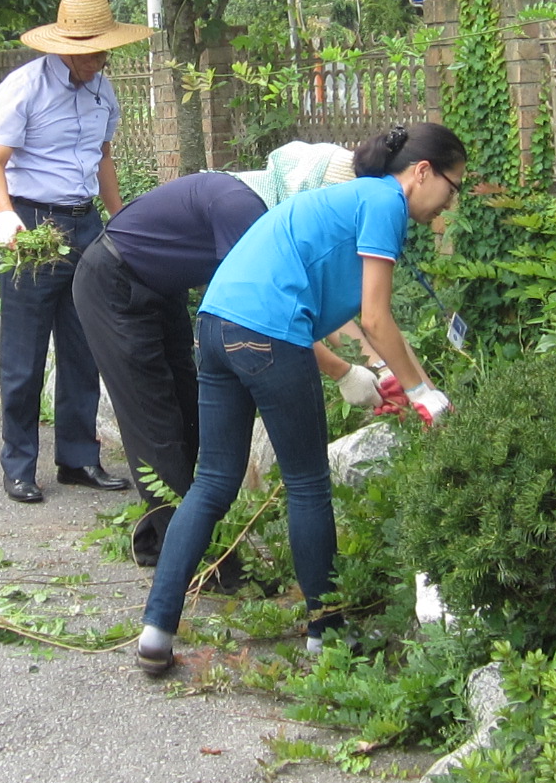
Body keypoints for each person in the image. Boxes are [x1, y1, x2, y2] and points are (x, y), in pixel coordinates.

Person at [132, 123, 465, 675]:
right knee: (308, 485)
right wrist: (423, 393)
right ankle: (326, 636)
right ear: (423, 173)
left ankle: (155, 631)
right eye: (452, 189)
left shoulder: (350, 198)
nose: (448, 205)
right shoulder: (385, 202)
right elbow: (378, 317)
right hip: (269, 335)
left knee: (214, 481)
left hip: (215, 326)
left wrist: (387, 375)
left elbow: (360, 311)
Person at [72, 141, 391, 570]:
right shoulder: (244, 209)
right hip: (112, 284)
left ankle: (160, 538)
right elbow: (270, 315)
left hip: (159, 288)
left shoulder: (273, 212)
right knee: (156, 421)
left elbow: (317, 306)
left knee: (189, 410)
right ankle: (200, 563)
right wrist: (342, 373)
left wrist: (374, 362)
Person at [0, 0, 145, 505]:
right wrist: (6, 217)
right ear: (64, 46)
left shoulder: (103, 89)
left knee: (85, 346)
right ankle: (19, 466)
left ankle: (78, 458)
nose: (100, 59)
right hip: (33, 226)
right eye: (92, 51)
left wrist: (119, 219)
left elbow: (102, 157)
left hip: (85, 224)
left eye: (104, 50)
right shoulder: (23, 88)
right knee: (23, 354)